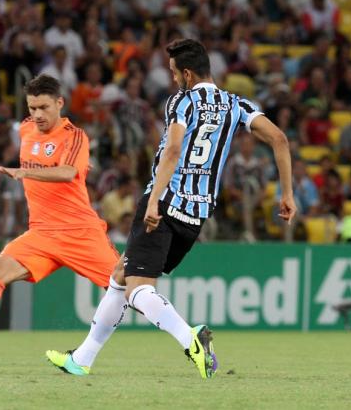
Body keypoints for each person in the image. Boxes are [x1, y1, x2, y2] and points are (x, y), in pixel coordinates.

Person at [46, 39, 296, 379]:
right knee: (121, 275)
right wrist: (287, 193)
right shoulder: (236, 104)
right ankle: (83, 359)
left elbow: (174, 147)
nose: (174, 79)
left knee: (137, 289)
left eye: (175, 73)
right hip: (196, 215)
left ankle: (189, 337)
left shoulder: (183, 100)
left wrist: (153, 200)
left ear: (188, 74)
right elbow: (280, 139)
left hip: (165, 203)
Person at [0, 75, 120, 353]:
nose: (37, 114)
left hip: (79, 232)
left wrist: (24, 172)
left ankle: (189, 336)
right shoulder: (26, 129)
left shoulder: (74, 137)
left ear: (60, 103)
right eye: (32, 108)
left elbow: (68, 173)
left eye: (43, 107)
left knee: (130, 289)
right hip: (40, 233)